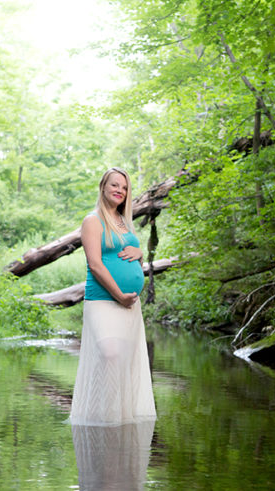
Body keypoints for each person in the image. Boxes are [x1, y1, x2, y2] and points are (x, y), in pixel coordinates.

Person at [69, 167, 156, 426]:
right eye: (115, 185)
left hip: (130, 306)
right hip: (103, 301)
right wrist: (119, 294)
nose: (120, 190)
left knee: (124, 363)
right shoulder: (93, 221)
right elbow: (95, 264)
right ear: (103, 186)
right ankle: (103, 423)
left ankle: (119, 425)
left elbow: (133, 255)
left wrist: (140, 254)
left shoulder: (124, 222)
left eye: (125, 187)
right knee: (110, 354)